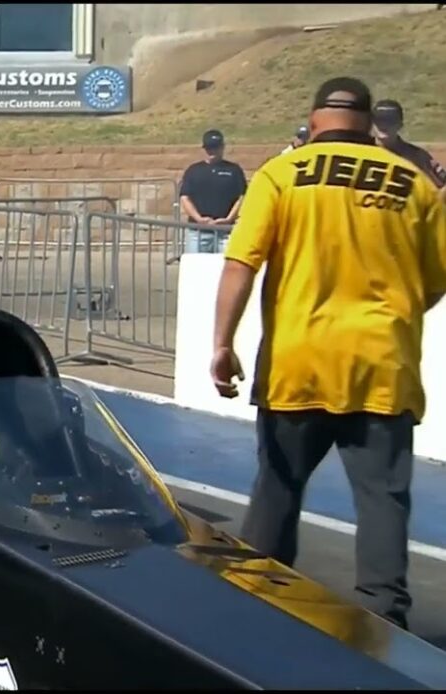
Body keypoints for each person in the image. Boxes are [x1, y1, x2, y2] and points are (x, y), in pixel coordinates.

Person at [210, 77, 446, 631]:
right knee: (383, 501)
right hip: (382, 367)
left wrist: (222, 343)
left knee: (277, 487)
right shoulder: (413, 184)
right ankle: (383, 621)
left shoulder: (281, 174)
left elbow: (242, 262)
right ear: (368, 124)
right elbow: (434, 280)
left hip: (299, 361)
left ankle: (252, 612)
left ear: (314, 120)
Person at [179, 129, 247, 254]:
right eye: (209, 148)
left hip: (226, 231)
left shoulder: (234, 170)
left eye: (216, 147)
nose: (212, 151)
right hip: (198, 231)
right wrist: (199, 219)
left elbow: (242, 197)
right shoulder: (193, 170)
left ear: (223, 147)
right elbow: (185, 197)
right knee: (197, 268)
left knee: (226, 268)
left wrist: (229, 219)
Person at [372, 99, 446, 200]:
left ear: (400, 125)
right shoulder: (361, 151)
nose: (384, 126)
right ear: (371, 123)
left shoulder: (417, 156)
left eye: (390, 121)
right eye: (380, 121)